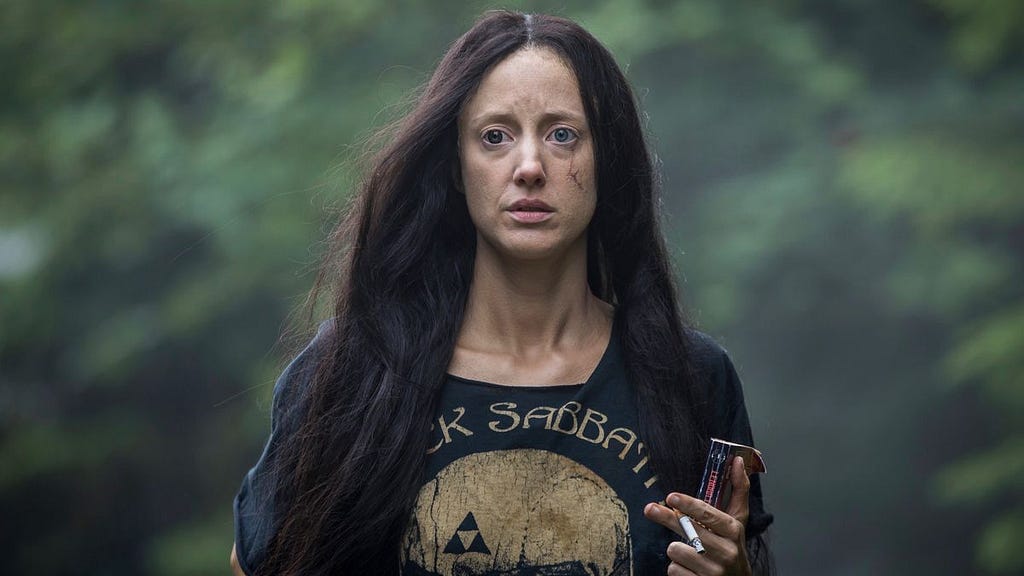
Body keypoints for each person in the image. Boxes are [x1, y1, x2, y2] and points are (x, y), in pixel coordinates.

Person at [232, 10, 773, 576]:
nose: (530, 166)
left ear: (606, 159)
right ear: (457, 166)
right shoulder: (352, 371)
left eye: (562, 135)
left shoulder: (690, 377)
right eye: (495, 137)